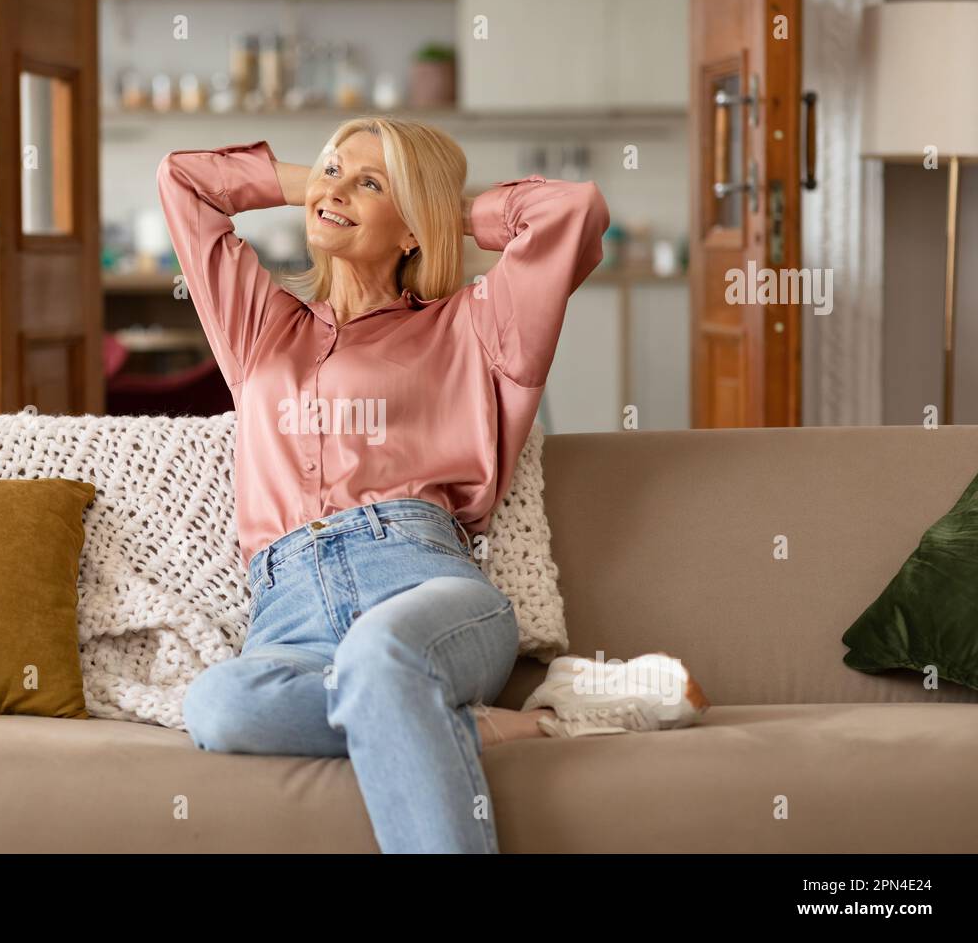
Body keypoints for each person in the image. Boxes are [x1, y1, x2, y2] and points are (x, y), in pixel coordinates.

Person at [157, 117, 708, 854]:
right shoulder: (261, 328)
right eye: (334, 169)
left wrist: (442, 211)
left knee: (380, 656)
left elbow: (573, 212)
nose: (338, 187)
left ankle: (402, 699)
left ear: (413, 229)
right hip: (289, 619)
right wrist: (315, 182)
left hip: (423, 587)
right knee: (220, 706)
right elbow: (184, 181)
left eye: (371, 183)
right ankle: (535, 721)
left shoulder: (474, 327)